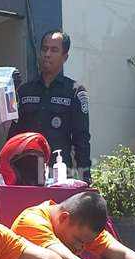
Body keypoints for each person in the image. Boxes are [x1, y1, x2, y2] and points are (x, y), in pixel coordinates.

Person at [10, 30, 91, 182]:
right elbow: (13, 136)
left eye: (54, 50)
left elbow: (82, 140)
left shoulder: (74, 91)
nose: (47, 54)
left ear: (65, 57)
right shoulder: (24, 90)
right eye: (44, 49)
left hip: (58, 174)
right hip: (25, 174)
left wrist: (85, 179)